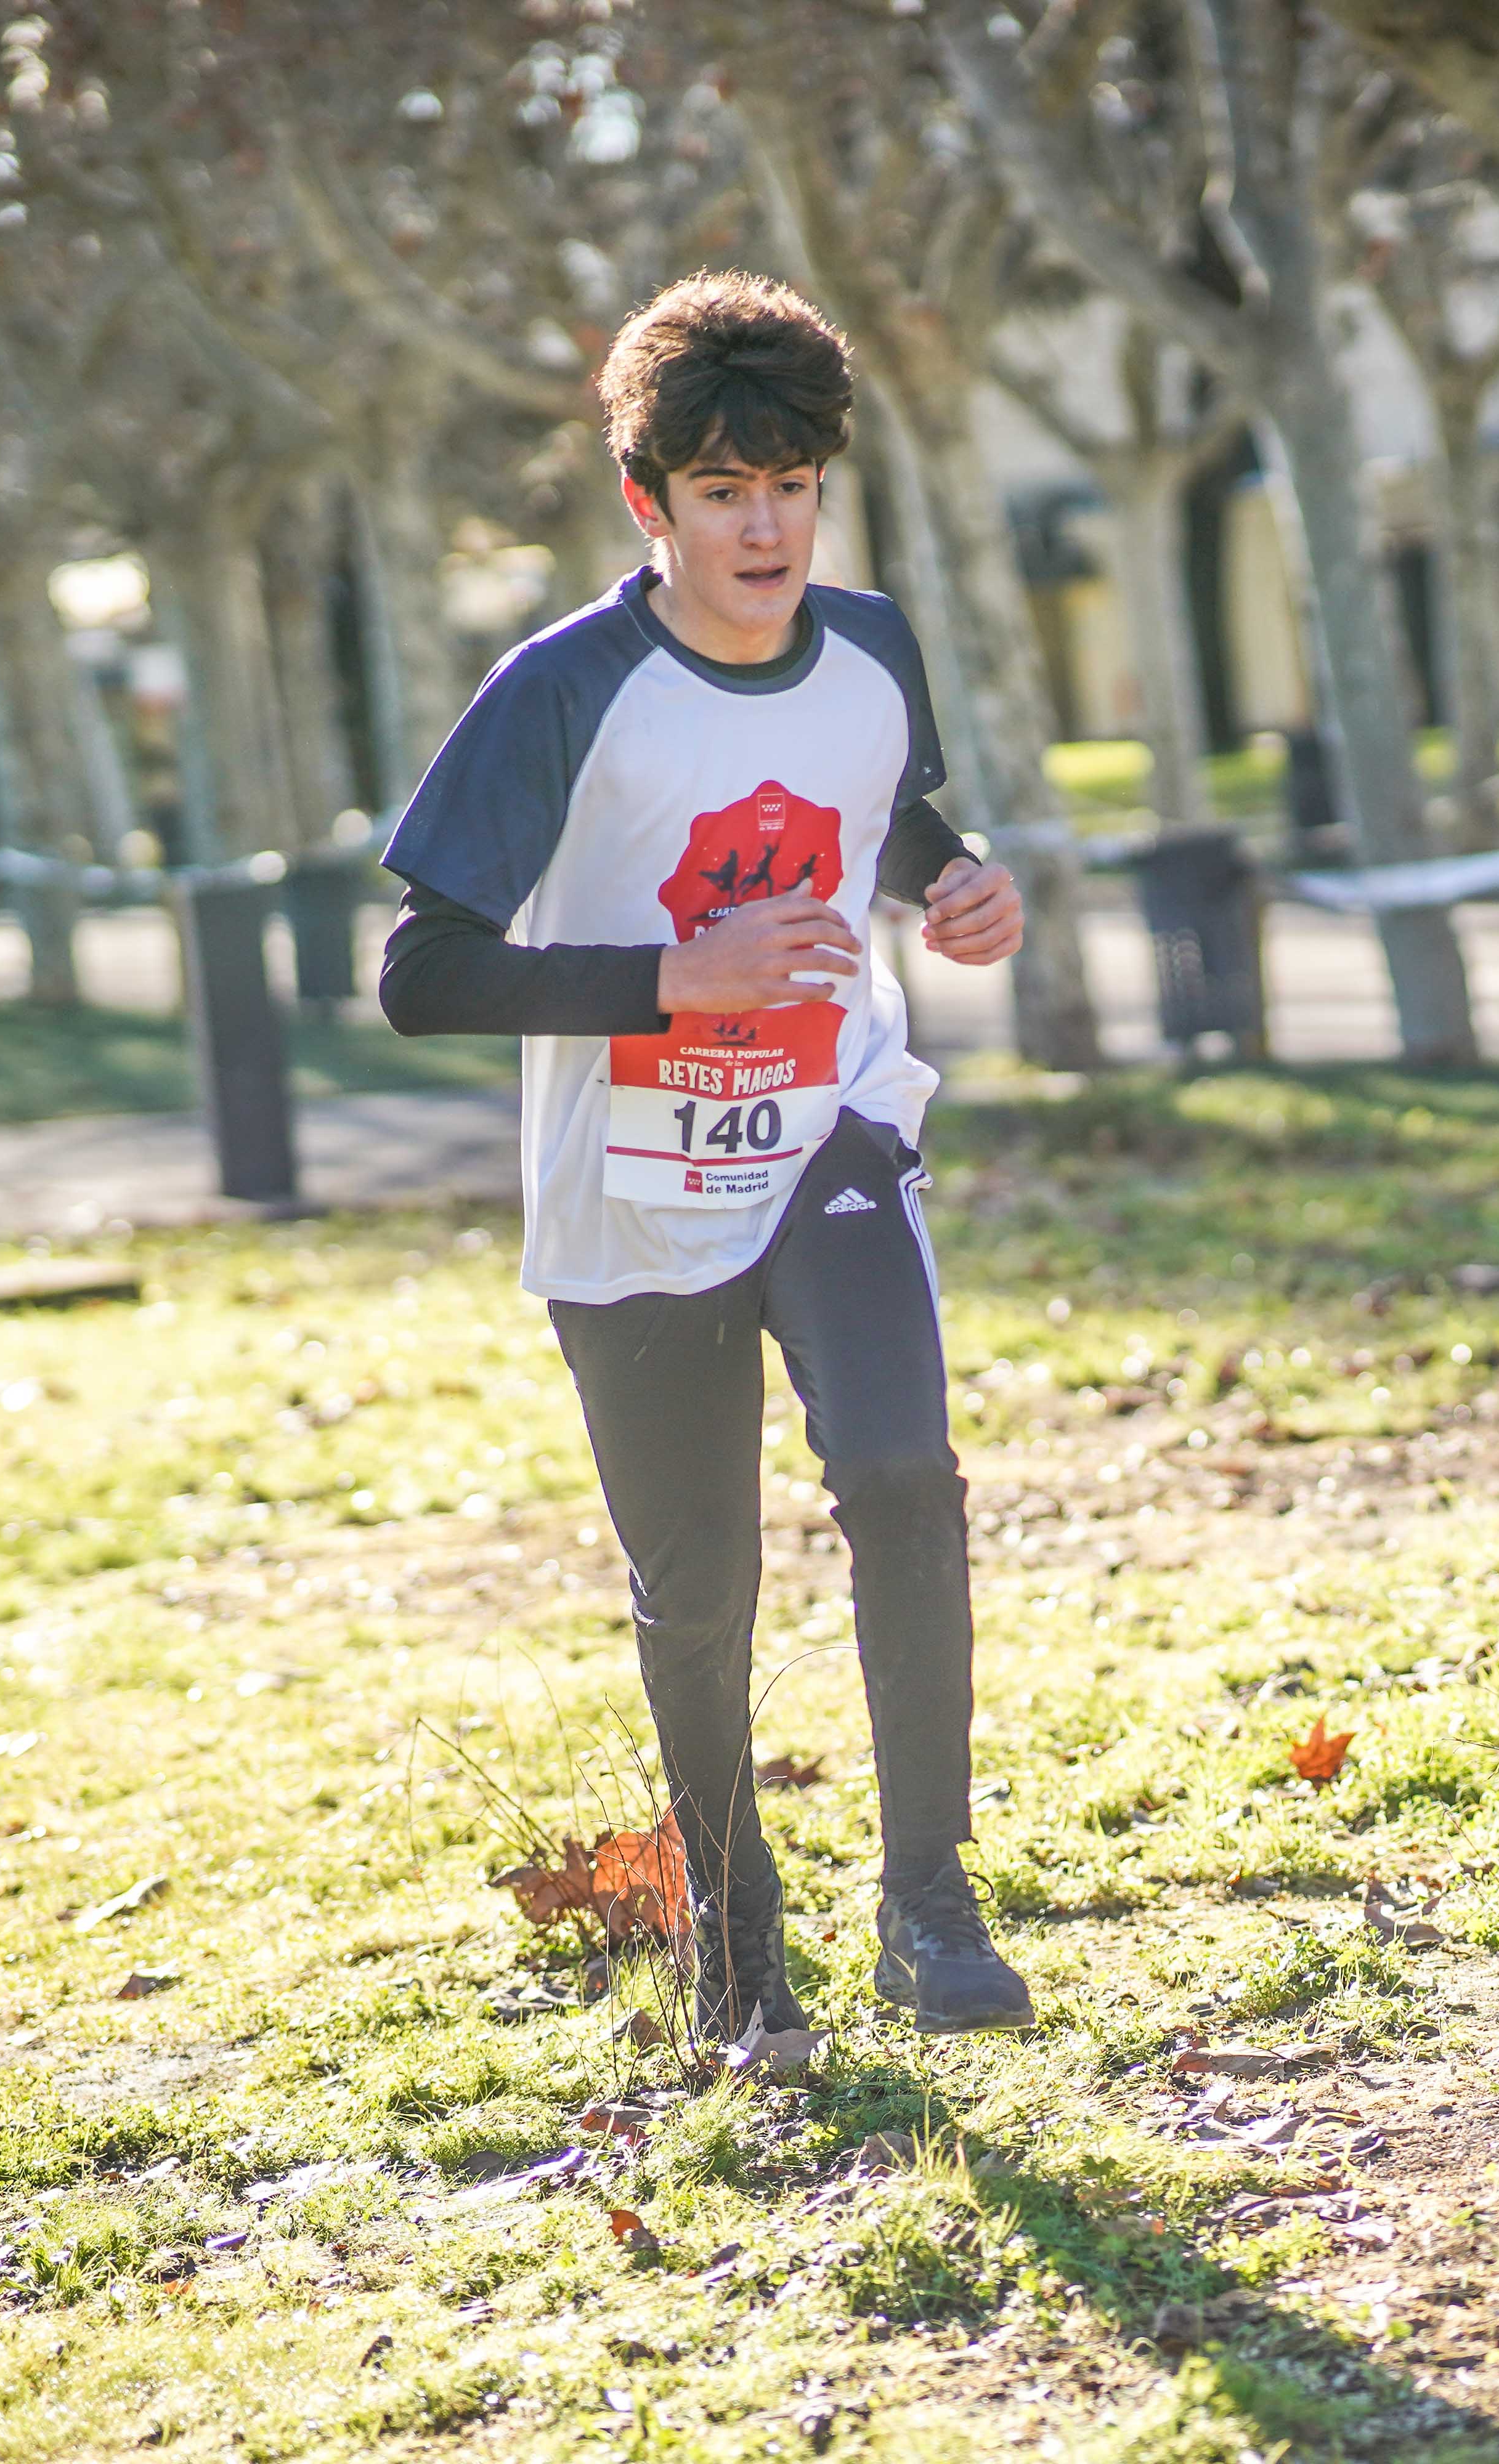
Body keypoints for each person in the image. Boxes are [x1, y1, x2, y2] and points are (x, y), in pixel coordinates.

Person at [375, 272, 1033, 2051]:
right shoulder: (564, 694)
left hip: (828, 1130)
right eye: (728, 494)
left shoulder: (874, 647)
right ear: (648, 504)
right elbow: (422, 974)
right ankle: (741, 1951)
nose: (767, 527)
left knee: (905, 1476)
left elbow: (880, 814)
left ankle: (933, 1904)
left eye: (796, 488)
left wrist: (954, 890)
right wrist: (677, 982)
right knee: (704, 1586)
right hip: (635, 1194)